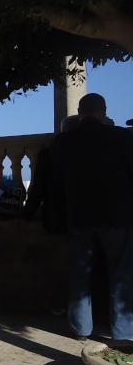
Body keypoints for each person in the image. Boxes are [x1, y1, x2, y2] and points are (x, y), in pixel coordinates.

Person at [50, 93, 133, 342]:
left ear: (79, 111)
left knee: (79, 274)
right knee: (121, 274)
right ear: (104, 111)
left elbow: (58, 180)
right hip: (117, 216)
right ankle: (123, 332)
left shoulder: (62, 142)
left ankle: (81, 328)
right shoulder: (123, 137)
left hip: (79, 215)